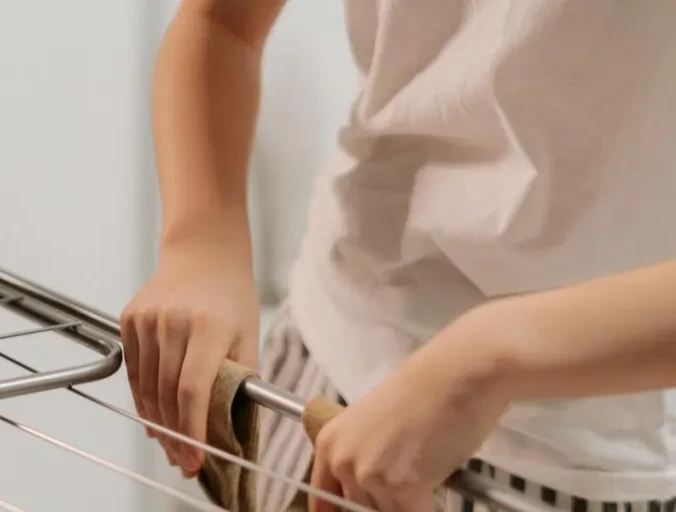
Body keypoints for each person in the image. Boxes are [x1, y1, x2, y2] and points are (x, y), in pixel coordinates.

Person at [120, 0, 676, 510]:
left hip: (578, 459)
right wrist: (202, 240)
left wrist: (488, 358)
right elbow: (222, 24)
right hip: (319, 365)